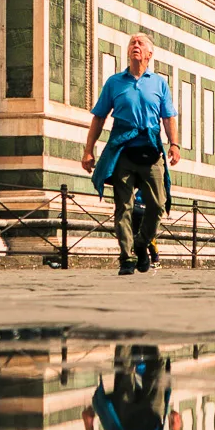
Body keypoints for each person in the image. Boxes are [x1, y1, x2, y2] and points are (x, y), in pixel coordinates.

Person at [81, 33, 178, 276]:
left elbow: (168, 117)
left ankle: (142, 243)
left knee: (158, 204)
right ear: (128, 52)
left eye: (140, 43)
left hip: (151, 149)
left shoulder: (159, 83)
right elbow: (99, 117)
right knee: (123, 206)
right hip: (122, 151)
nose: (135, 45)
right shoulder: (114, 82)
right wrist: (88, 150)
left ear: (149, 54)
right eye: (132, 43)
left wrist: (174, 144)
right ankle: (126, 257)